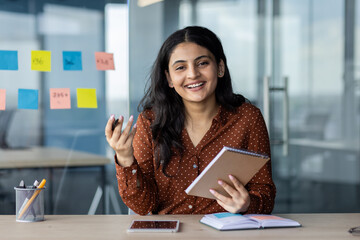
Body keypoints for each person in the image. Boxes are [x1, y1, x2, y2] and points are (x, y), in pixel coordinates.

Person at [105, 26, 276, 215]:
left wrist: (247, 204)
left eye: (202, 63)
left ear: (220, 68)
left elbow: (265, 194)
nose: (193, 74)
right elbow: (143, 206)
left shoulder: (247, 118)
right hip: (168, 234)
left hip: (224, 232)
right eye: (180, 67)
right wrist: (125, 157)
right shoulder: (150, 122)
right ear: (169, 79)